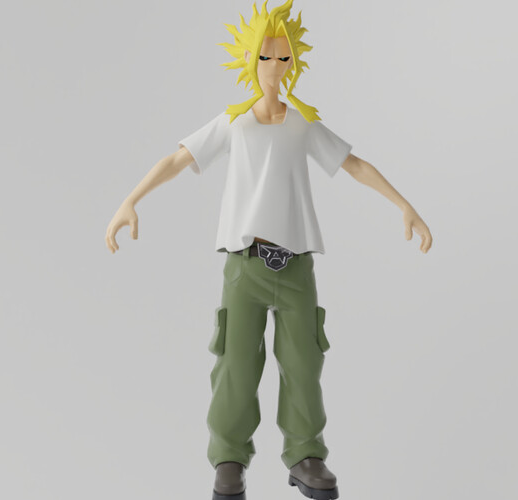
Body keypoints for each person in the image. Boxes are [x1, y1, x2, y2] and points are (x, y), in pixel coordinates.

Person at [105, 1, 432, 499]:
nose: (274, 68)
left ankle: (305, 454)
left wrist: (403, 204)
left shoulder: (303, 123)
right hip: (245, 265)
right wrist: (131, 200)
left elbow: (353, 164)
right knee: (235, 364)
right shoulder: (233, 123)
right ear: (248, 59)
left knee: (304, 362)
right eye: (265, 57)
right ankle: (229, 458)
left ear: (294, 61)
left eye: (283, 58)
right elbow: (178, 158)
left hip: (296, 264)